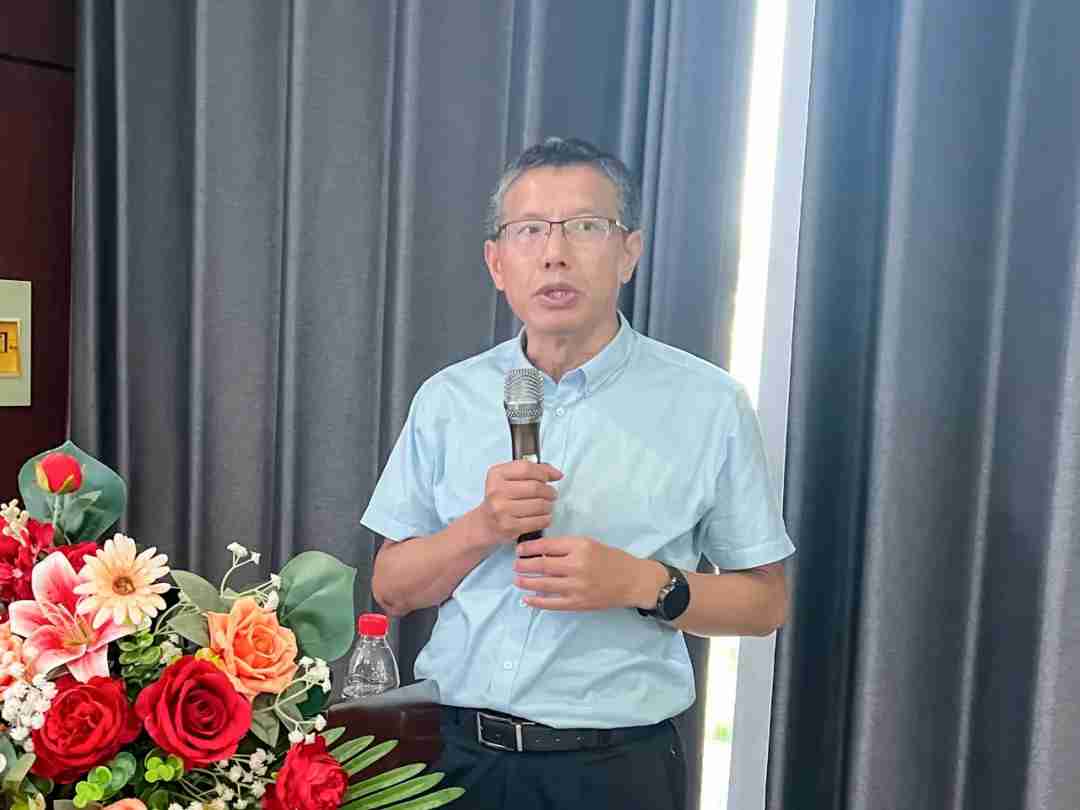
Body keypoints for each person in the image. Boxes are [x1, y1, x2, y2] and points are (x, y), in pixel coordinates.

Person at [361, 137, 794, 810]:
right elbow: (390, 589)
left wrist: (641, 583)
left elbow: (766, 604)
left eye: (586, 227)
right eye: (530, 230)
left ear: (629, 252)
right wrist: (481, 527)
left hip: (614, 769)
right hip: (451, 762)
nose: (554, 253)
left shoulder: (709, 403)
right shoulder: (447, 398)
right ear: (497, 263)